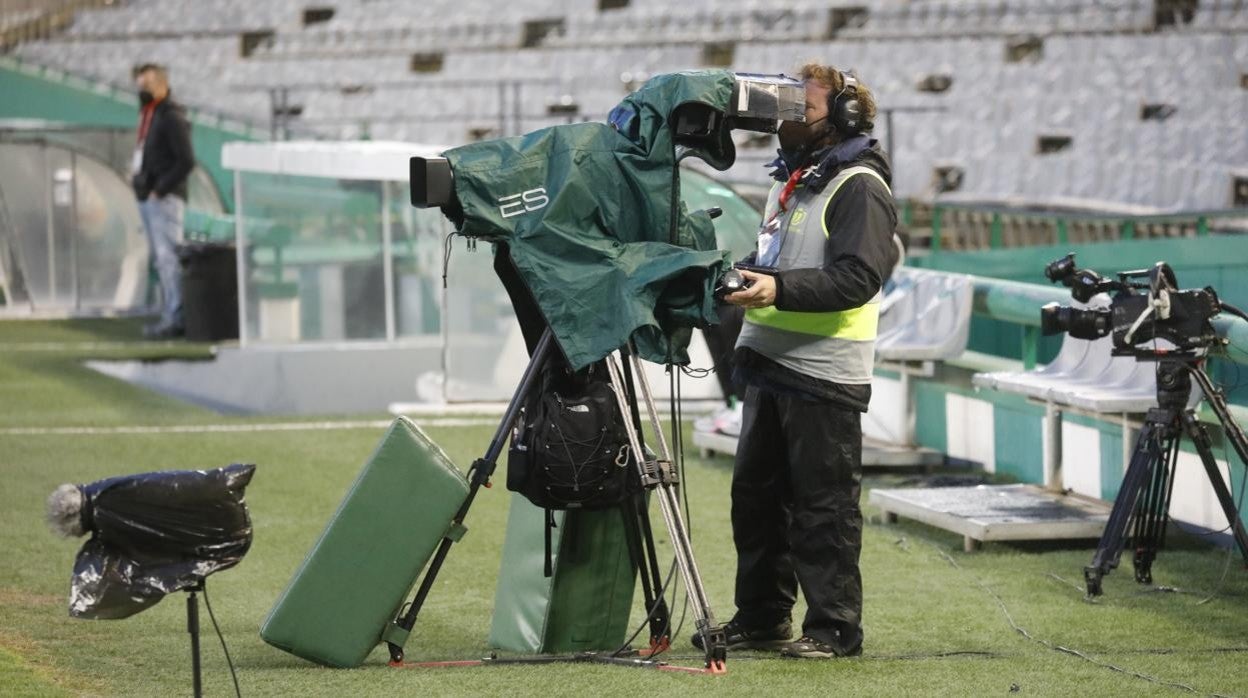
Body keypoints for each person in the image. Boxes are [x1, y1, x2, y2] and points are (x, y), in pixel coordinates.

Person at [694, 63, 899, 659]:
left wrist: (776, 290)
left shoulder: (859, 186)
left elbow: (858, 278)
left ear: (843, 117)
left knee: (822, 510)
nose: (785, 121)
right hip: (770, 363)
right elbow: (781, 262)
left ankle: (835, 629)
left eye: (801, 110)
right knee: (754, 502)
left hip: (825, 371)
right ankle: (762, 617)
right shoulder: (796, 183)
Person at [132, 63, 194, 338]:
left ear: (161, 84)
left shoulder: (170, 116)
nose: (141, 90)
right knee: (162, 259)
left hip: (164, 198)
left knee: (168, 258)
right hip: (149, 195)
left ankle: (176, 317)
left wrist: (161, 189)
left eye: (146, 84)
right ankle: (171, 312)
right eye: (139, 85)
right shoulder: (151, 115)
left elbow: (186, 160)